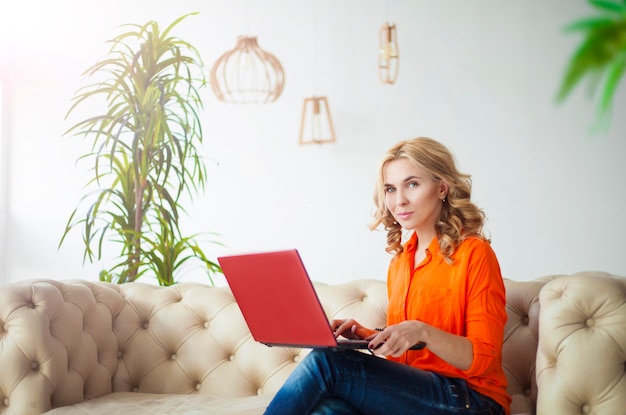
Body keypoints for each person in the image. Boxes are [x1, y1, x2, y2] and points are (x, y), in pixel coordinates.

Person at [264, 137, 511, 415]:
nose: (399, 200)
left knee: (328, 362)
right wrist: (366, 334)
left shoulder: (474, 254)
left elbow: (483, 358)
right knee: (329, 410)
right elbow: (407, 357)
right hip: (418, 398)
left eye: (412, 184)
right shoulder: (401, 262)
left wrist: (421, 330)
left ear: (442, 188)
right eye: (390, 189)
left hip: (472, 400)